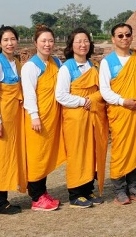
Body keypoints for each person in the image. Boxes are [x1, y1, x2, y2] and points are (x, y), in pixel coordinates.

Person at [99, 23, 136, 205]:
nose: (124, 38)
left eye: (127, 35)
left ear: (132, 37)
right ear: (113, 39)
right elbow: (105, 90)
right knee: (120, 150)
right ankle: (119, 189)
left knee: (135, 148)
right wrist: (123, 102)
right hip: (121, 113)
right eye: (120, 35)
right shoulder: (108, 62)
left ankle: (134, 186)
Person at [55, 28, 109, 208]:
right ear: (71, 45)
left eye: (85, 41)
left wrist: (91, 99)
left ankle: (88, 189)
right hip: (76, 117)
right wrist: (82, 101)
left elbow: (103, 90)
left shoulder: (94, 66)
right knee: (78, 152)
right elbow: (61, 95)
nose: (83, 44)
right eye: (78, 41)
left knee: (92, 152)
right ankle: (75, 193)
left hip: (93, 115)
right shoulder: (67, 67)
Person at [21, 25, 66, 211]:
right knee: (36, 156)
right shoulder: (30, 66)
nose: (47, 44)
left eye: (50, 41)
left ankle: (43, 191)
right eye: (43, 41)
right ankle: (36, 197)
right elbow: (29, 93)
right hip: (37, 117)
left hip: (53, 116)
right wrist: (34, 115)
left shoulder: (56, 62)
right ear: (35, 43)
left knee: (46, 155)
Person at [0, 26, 26, 215]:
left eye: (13, 39)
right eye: (6, 40)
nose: (10, 43)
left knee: (12, 155)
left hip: (14, 117)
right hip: (1, 118)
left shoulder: (16, 62)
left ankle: (7, 197)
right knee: (0, 158)